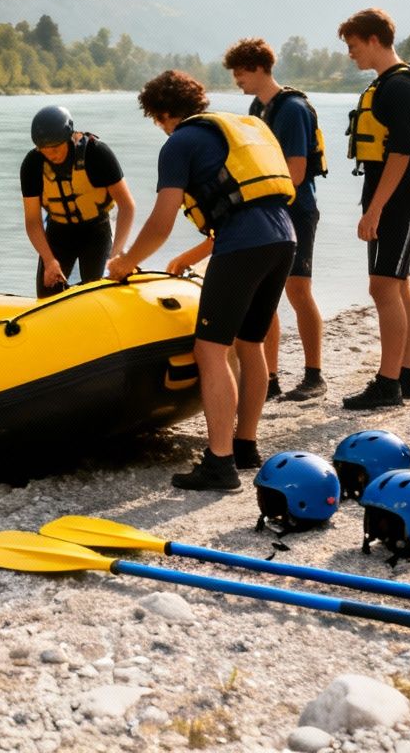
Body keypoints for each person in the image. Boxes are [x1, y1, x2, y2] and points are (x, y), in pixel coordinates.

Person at [107, 70, 297, 491]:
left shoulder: (181, 142)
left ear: (164, 114)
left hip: (244, 245)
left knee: (210, 349)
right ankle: (245, 445)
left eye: (158, 121)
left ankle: (220, 463)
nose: (160, 128)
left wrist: (125, 262)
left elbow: (160, 221)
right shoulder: (233, 130)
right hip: (283, 239)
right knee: (251, 342)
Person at [338, 8, 410, 411]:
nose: (350, 54)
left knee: (382, 286)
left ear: (373, 40)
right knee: (397, 284)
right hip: (393, 192)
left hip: (396, 194)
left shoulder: (398, 87)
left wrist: (374, 210)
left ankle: (388, 383)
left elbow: (401, 152)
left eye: (352, 46)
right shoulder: (393, 82)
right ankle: (407, 374)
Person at [224, 37, 328, 401]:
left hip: (296, 209)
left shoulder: (292, 109)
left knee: (298, 291)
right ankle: (269, 377)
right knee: (262, 295)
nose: (237, 79)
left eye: (239, 72)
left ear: (256, 67)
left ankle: (314, 376)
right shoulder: (257, 107)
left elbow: (296, 172)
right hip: (268, 212)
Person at [21, 105, 136, 298]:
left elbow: (127, 206)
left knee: (97, 293)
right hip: (58, 233)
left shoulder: (96, 153)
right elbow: (33, 220)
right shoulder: (32, 164)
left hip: (96, 231)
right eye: (44, 150)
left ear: (69, 137)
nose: (52, 155)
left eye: (56, 148)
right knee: (47, 296)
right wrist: (49, 261)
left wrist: (116, 253)